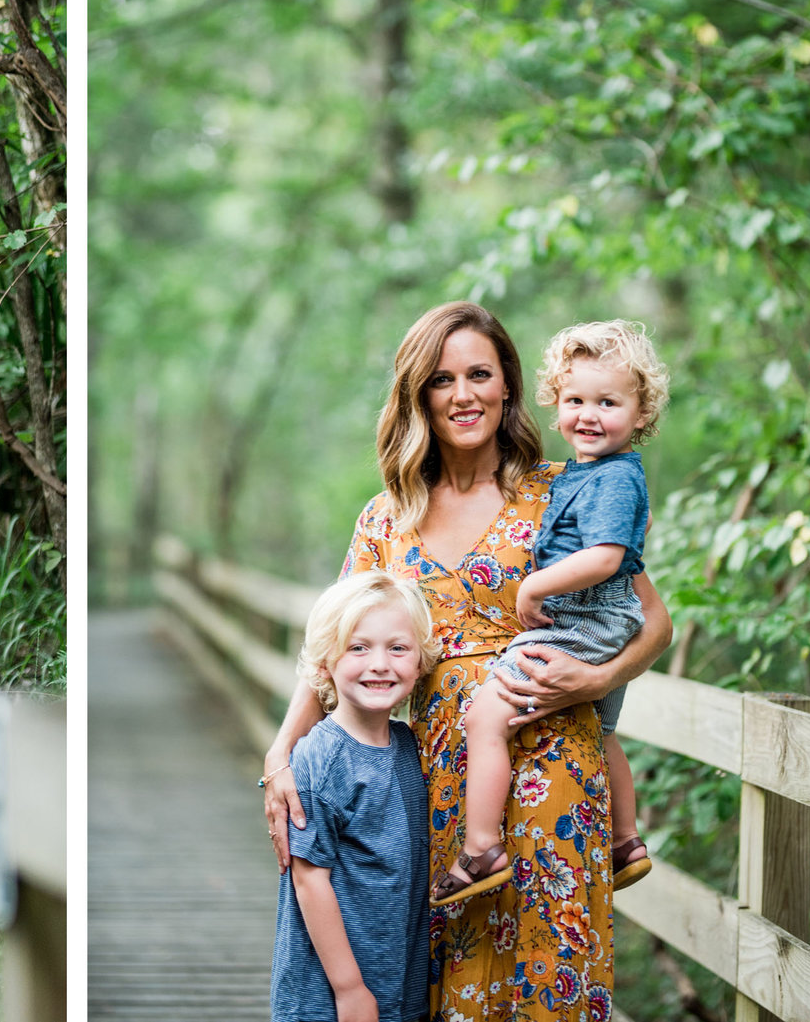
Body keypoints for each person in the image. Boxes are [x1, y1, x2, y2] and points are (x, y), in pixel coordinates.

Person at [262, 301, 672, 1021]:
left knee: (552, 970)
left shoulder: (562, 489)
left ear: (508, 385)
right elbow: (329, 648)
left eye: (480, 373)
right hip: (442, 779)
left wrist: (597, 678)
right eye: (442, 379)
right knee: (458, 976)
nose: (464, 393)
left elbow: (653, 622)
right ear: (418, 394)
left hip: (555, 767)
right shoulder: (386, 517)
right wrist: (281, 752)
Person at [435, 321, 664, 906]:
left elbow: (613, 562)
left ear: (641, 413)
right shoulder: (587, 476)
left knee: (486, 717)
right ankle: (626, 840)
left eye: (607, 402)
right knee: (606, 730)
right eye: (575, 400)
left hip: (583, 623)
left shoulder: (597, 478)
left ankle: (482, 846)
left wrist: (534, 586)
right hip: (598, 623)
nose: (588, 414)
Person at [271, 570, 433, 1022]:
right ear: (325, 664)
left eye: (397, 648)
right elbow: (308, 878)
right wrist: (349, 989)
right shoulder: (320, 758)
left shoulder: (406, 747)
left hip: (398, 979)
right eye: (358, 648)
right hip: (329, 993)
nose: (379, 664)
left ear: (420, 662)